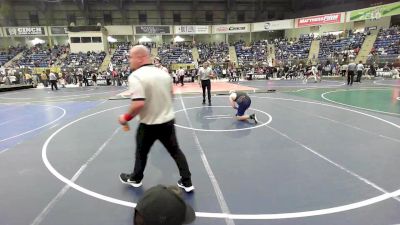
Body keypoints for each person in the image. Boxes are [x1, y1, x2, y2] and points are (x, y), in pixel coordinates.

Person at [118, 45, 194, 192]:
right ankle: (187, 181)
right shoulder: (164, 74)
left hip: (148, 124)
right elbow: (171, 96)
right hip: (167, 121)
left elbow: (138, 103)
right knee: (176, 151)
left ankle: (136, 178)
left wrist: (125, 117)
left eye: (131, 57)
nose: (129, 60)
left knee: (141, 152)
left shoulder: (136, 76)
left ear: (140, 58)